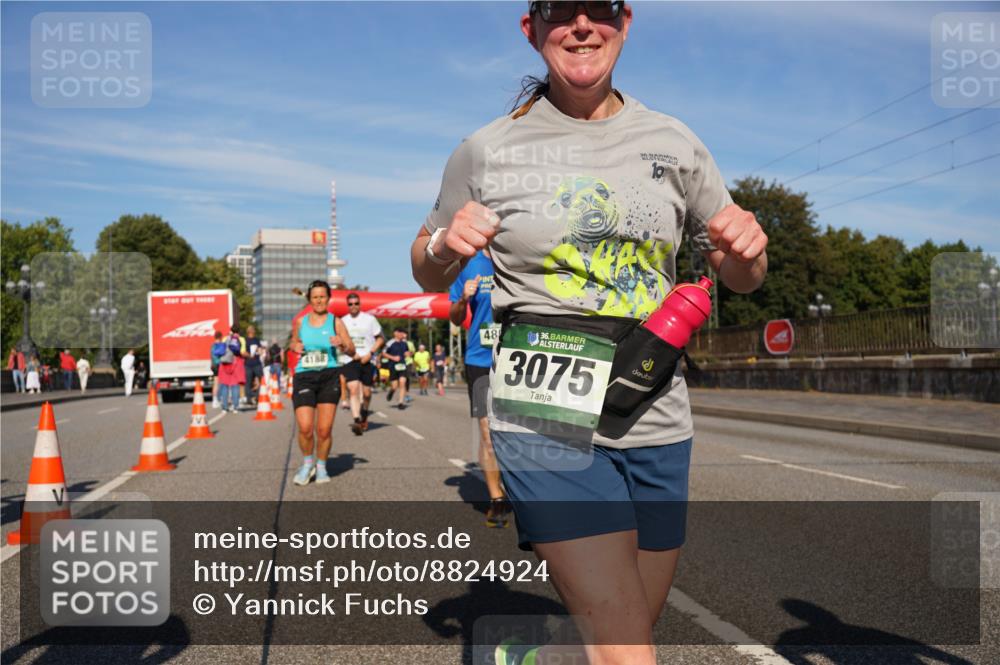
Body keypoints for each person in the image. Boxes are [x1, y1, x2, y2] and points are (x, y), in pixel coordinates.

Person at [410, 3, 768, 663]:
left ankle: (534, 655)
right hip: (545, 404)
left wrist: (745, 252)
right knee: (626, 646)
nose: (581, 24)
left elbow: (737, 271)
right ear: (531, 29)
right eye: (558, 11)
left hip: (654, 404)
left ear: (625, 21)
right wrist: (442, 242)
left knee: (627, 625)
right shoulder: (486, 147)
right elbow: (427, 267)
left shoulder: (674, 141)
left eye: (598, 8)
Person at [448, 251, 510, 528]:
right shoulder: (472, 265)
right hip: (481, 359)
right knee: (488, 435)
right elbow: (454, 316)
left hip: (519, 359)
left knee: (520, 432)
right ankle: (497, 499)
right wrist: (463, 299)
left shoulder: (519, 254)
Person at [290, 280, 355, 486]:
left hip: (329, 375)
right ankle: (307, 463)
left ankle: (321, 466)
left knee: (324, 430)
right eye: (315, 296)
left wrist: (342, 343)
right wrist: (296, 346)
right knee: (305, 428)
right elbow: (293, 343)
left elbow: (352, 350)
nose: (318, 300)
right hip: (305, 376)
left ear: (328, 298)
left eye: (322, 296)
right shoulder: (300, 322)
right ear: (310, 299)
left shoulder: (336, 322)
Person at [338, 293, 384, 436]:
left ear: (360, 304)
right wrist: (351, 353)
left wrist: (370, 353)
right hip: (350, 360)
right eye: (350, 304)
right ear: (347, 305)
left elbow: (381, 339)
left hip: (367, 359)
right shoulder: (342, 321)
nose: (353, 306)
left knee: (366, 393)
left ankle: (364, 414)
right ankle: (357, 420)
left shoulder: (370, 319)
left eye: (356, 303)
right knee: (353, 389)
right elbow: (339, 343)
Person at [381, 328, 410, 410]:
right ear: (396, 333)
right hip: (392, 366)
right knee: (394, 386)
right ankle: (391, 391)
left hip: (402, 365)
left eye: (403, 333)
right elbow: (383, 353)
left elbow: (406, 352)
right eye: (401, 333)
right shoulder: (390, 343)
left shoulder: (405, 343)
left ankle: (400, 402)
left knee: (402, 382)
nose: (402, 335)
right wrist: (393, 357)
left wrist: (407, 354)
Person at [244, 325, 264, 407]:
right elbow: (243, 352)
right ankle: (249, 398)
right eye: (251, 330)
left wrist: (260, 351)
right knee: (248, 382)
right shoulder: (245, 341)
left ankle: (257, 397)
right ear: (248, 331)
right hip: (248, 364)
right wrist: (249, 355)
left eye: (253, 330)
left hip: (256, 363)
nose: (252, 331)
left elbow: (260, 350)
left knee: (261, 380)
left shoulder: (256, 340)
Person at [210, 331, 226, 408]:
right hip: (220, 365)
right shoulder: (221, 345)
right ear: (220, 337)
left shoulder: (212, 346)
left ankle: (214, 400)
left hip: (214, 365)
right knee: (222, 383)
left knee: (215, 383)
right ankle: (221, 398)